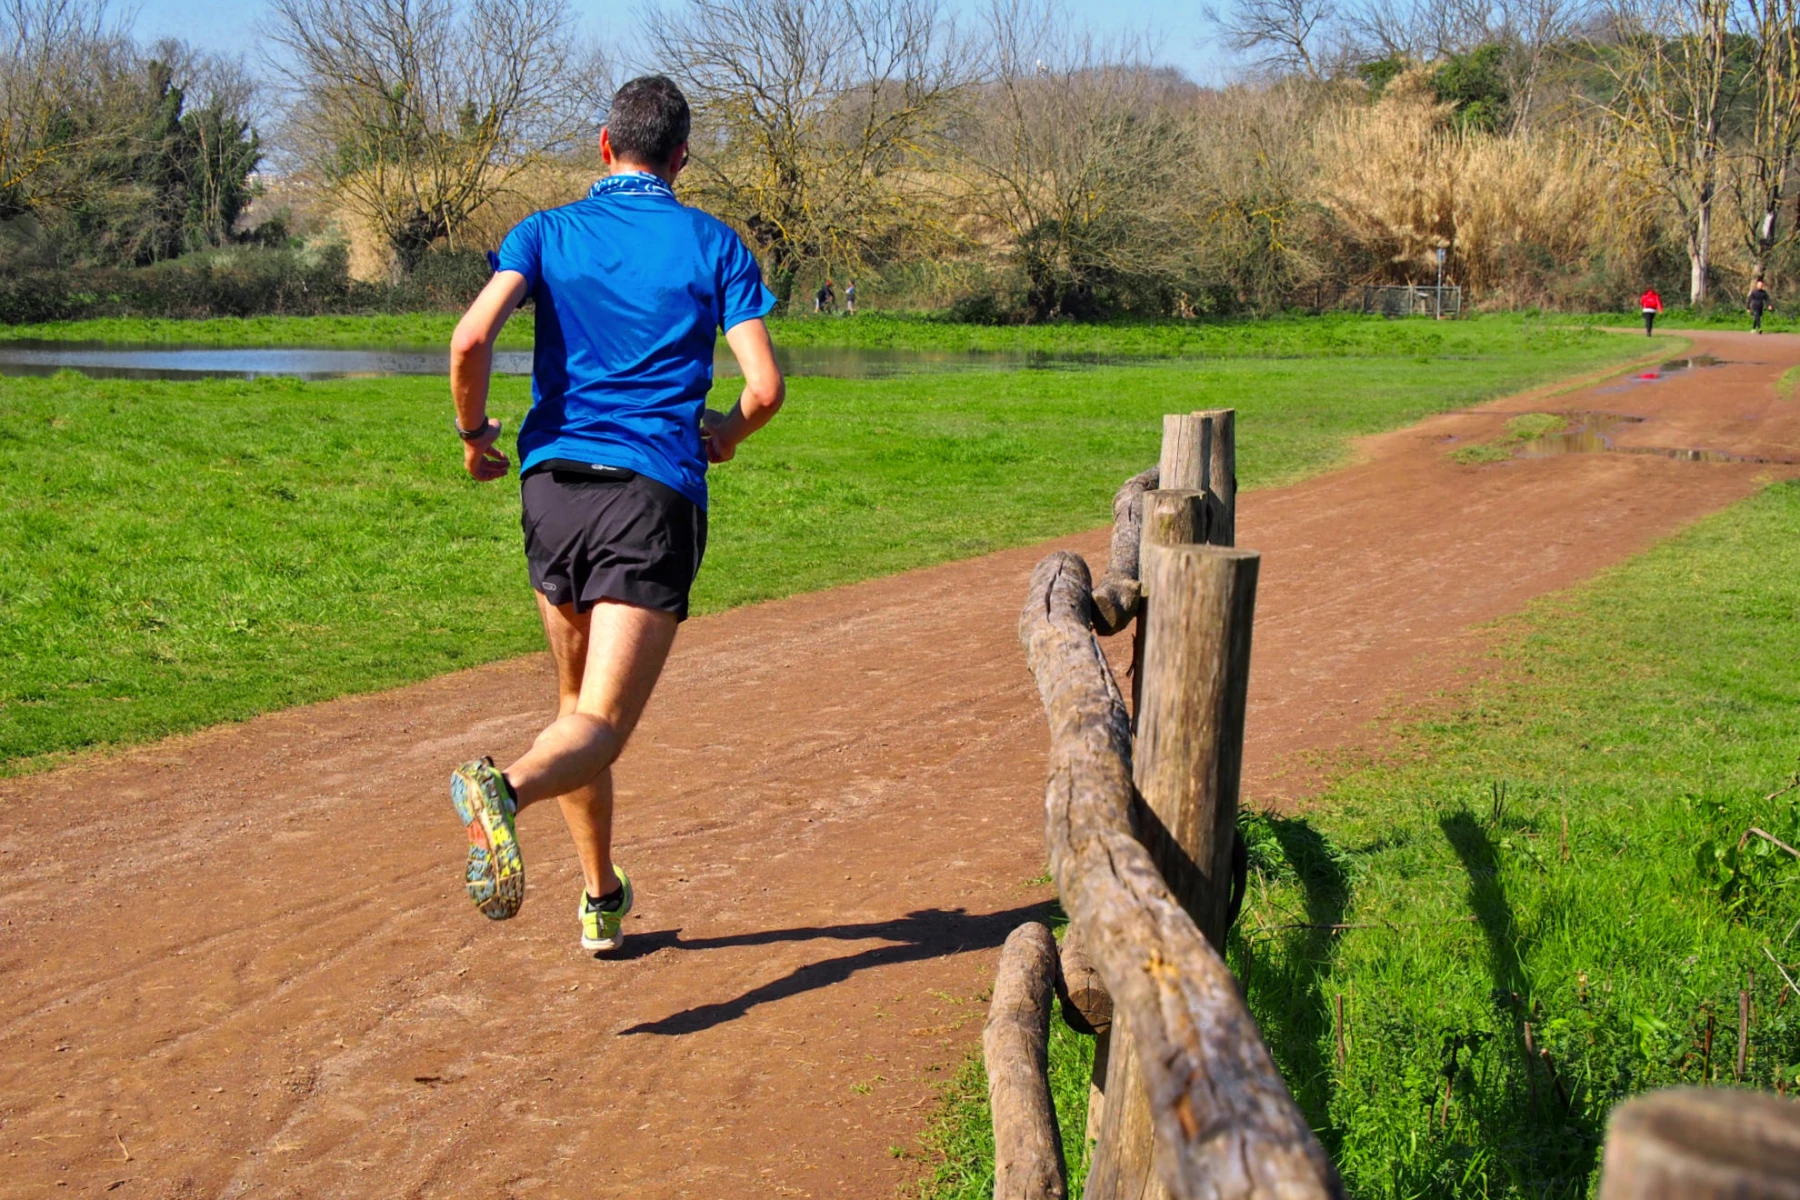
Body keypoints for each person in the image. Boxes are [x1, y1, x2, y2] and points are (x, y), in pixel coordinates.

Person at [445, 75, 784, 954]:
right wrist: (729, 433)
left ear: (603, 145)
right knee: (597, 726)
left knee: (574, 706)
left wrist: (476, 434)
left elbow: (471, 338)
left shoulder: (545, 231)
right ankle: (504, 791)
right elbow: (764, 387)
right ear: (680, 159)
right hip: (649, 494)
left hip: (552, 486)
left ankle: (601, 898)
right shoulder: (715, 244)